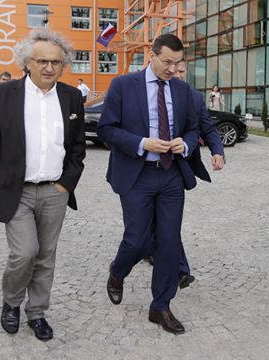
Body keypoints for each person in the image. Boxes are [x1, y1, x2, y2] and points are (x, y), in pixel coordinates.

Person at [0, 28, 86, 342]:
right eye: (43, 61)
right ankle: (11, 301)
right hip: (15, 189)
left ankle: (37, 313)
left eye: (56, 62)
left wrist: (65, 184)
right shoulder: (2, 95)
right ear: (27, 63)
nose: (50, 68)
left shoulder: (72, 96)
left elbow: (77, 149)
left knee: (46, 254)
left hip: (55, 190)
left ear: (63, 65)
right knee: (25, 252)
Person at [97, 34, 200, 335]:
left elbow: (193, 129)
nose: (172, 68)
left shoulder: (182, 90)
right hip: (136, 173)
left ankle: (161, 306)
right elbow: (106, 128)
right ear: (152, 56)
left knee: (168, 243)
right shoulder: (123, 85)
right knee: (138, 240)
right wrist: (141, 142)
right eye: (167, 62)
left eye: (178, 63)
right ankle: (118, 271)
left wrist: (187, 143)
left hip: (170, 175)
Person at [144, 61, 226, 288]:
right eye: (174, 70)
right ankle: (146, 252)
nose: (177, 74)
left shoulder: (192, 97)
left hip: (175, 169)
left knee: (167, 224)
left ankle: (179, 269)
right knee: (148, 225)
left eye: (181, 71)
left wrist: (218, 152)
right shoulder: (145, 90)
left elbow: (207, 128)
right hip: (143, 171)